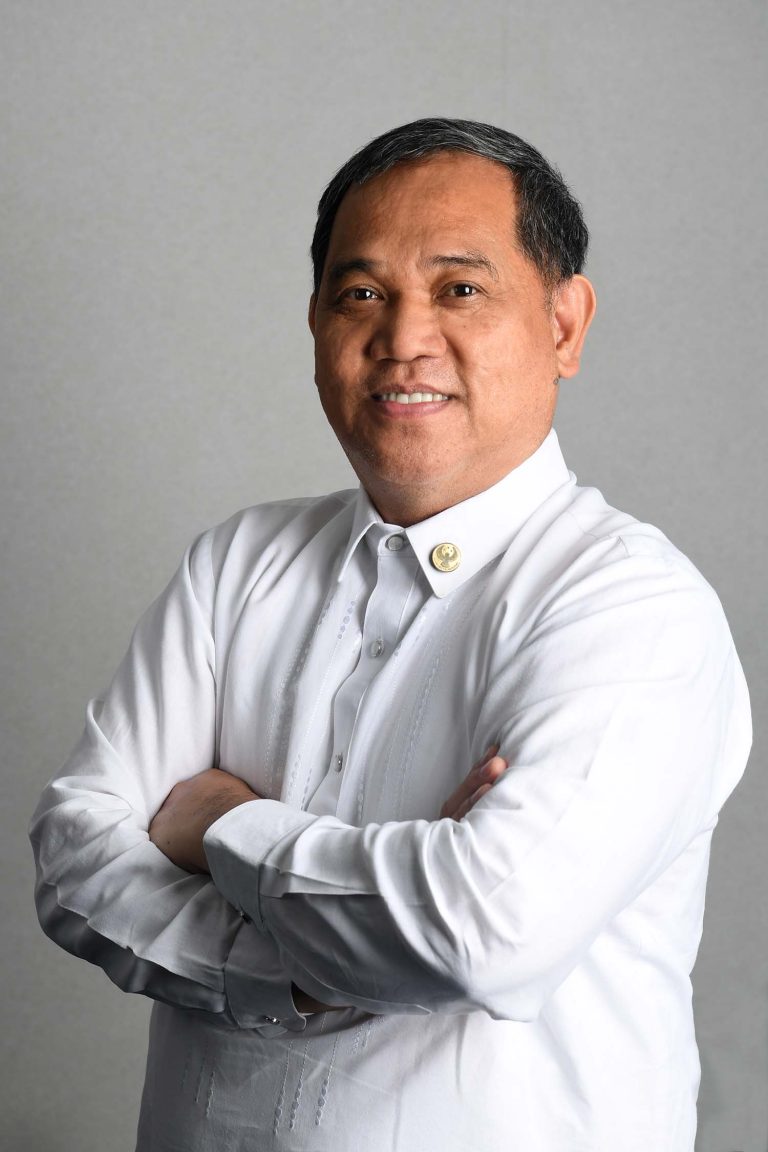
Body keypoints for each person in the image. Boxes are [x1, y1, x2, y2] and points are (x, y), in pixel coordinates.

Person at [30, 118, 751, 1151]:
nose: (404, 338)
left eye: (459, 289)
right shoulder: (238, 565)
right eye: (361, 293)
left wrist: (224, 826)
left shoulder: (632, 607)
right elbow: (73, 857)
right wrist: (303, 970)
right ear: (316, 322)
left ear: (563, 325)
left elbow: (481, 931)